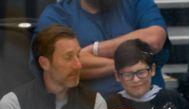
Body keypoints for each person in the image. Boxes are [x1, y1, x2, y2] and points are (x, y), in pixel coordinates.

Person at [35, 0, 169, 95]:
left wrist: (95, 49)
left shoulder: (136, 3)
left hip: (148, 105)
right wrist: (134, 67)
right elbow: (57, 68)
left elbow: (154, 39)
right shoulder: (57, 15)